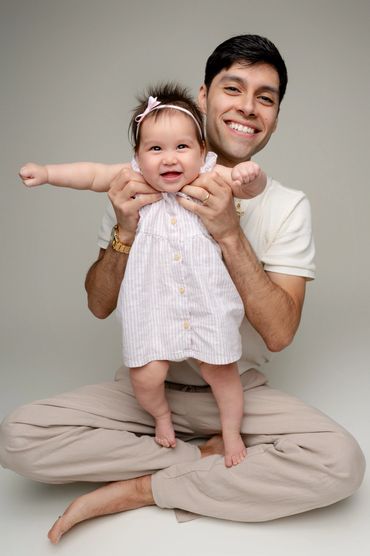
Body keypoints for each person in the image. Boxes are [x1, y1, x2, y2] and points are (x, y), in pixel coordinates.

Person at [0, 34, 365, 545]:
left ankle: (142, 488)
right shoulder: (141, 183)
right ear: (202, 97)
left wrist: (229, 232)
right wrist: (123, 231)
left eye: (266, 97)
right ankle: (208, 460)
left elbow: (280, 334)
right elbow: (99, 304)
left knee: (341, 462)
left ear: (277, 116)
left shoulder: (285, 205)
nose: (248, 107)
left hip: (234, 385)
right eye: (233, 88)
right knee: (19, 436)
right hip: (146, 384)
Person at [19, 83, 268, 466]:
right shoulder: (132, 184)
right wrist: (48, 173)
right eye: (155, 148)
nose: (169, 158)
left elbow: (248, 189)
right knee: (146, 377)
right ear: (136, 157)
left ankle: (230, 431)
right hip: (153, 306)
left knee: (223, 372)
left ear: (203, 153)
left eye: (182, 147)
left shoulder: (209, 180)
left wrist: (251, 176)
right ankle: (162, 417)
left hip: (206, 303)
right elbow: (89, 174)